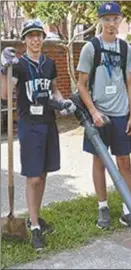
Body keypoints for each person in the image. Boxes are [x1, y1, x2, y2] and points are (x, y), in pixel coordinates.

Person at [1, 19, 76, 250]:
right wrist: (4, 68)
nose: (35, 39)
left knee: (43, 174)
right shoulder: (19, 65)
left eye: (38, 35)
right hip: (29, 125)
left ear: (43, 38)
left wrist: (64, 103)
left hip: (48, 122)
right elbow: (5, 95)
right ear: (24, 40)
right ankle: (34, 226)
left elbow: (53, 89)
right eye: (30, 35)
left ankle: (36, 217)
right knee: (33, 177)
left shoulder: (49, 63)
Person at [76, 2, 131, 233]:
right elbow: (81, 84)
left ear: (120, 21)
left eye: (115, 19)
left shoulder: (126, 49)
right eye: (106, 19)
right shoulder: (91, 48)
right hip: (99, 113)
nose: (111, 23)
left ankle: (128, 210)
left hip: (120, 114)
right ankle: (103, 206)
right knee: (99, 160)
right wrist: (94, 112)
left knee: (124, 161)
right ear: (100, 21)